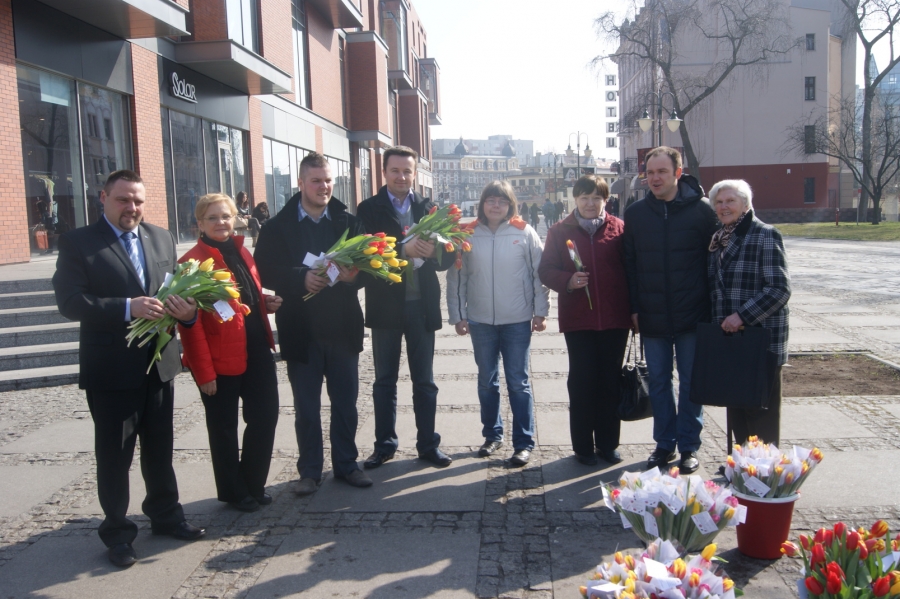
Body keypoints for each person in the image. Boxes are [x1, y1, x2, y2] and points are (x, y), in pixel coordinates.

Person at [52, 170, 205, 568]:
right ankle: (118, 533)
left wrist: (186, 312)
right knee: (115, 456)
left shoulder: (161, 237)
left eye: (138, 201)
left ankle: (166, 516)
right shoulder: (78, 242)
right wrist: (127, 308)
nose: (131, 208)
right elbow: (69, 302)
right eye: (123, 200)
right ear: (103, 198)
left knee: (160, 450)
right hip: (111, 370)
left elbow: (176, 288)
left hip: (159, 365)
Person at [255, 152, 373, 494]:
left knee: (345, 404)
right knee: (306, 407)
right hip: (301, 329)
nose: (324, 187)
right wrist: (300, 278)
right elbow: (264, 270)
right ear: (301, 183)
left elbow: (369, 269)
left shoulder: (349, 223)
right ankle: (309, 471)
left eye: (328, 180)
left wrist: (353, 277)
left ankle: (347, 465)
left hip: (342, 327)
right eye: (316, 180)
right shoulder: (276, 226)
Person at [178, 193, 282, 513]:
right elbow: (189, 324)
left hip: (256, 348)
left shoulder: (242, 251)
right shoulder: (191, 263)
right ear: (200, 223)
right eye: (212, 218)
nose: (221, 223)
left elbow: (242, 300)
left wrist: (263, 303)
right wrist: (203, 372)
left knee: (265, 415)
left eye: (226, 216)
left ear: (236, 218)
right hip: (218, 357)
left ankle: (253, 482)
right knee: (223, 428)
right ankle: (233, 491)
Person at [357, 145, 456, 470]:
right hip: (385, 306)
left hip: (421, 307)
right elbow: (365, 254)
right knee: (384, 381)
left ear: (415, 174)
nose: (401, 177)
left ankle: (428, 444)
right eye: (395, 171)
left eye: (407, 171)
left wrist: (433, 253)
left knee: (424, 382)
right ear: (384, 172)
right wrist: (403, 250)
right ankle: (384, 446)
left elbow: (448, 257)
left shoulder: (429, 208)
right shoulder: (368, 208)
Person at [623, 147, 718, 474]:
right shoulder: (636, 214)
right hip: (652, 314)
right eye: (650, 172)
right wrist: (634, 308)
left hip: (693, 313)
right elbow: (630, 264)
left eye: (662, 171)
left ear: (678, 173)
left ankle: (689, 445)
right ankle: (664, 444)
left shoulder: (702, 211)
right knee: (660, 382)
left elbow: (715, 261)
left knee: (691, 383)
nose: (655, 178)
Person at [446, 181, 549, 466]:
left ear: (510, 205)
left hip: (517, 320)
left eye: (502, 201)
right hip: (481, 321)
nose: (495, 205)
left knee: (518, 382)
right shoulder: (468, 234)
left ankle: (523, 442)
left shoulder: (524, 232)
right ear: (482, 204)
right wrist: (458, 315)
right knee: (486, 381)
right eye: (490, 200)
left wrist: (540, 312)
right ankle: (492, 435)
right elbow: (457, 277)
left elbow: (538, 274)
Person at [539, 175, 632, 466]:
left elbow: (632, 269)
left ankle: (608, 443)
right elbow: (545, 270)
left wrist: (634, 311)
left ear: (606, 200)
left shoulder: (619, 228)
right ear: (575, 199)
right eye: (584, 198)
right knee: (582, 382)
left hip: (615, 319)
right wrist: (568, 280)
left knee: (610, 382)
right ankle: (583, 447)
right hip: (578, 320)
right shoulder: (559, 230)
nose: (590, 204)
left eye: (596, 198)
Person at [707, 180, 790, 447]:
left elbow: (779, 289)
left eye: (730, 201)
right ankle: (743, 465)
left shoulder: (765, 234)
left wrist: (742, 316)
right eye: (719, 202)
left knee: (761, 414)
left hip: (760, 341)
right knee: (737, 409)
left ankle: (765, 468)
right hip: (731, 341)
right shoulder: (719, 238)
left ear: (745, 204)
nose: (724, 206)